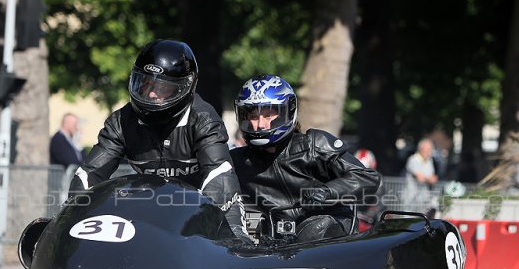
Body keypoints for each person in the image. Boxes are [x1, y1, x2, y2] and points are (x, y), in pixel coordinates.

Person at [69, 39, 250, 242]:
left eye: (162, 87)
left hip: (206, 210)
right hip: (151, 209)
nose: (151, 93)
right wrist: (71, 220)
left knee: (233, 244)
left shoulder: (203, 119)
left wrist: (203, 229)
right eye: (145, 83)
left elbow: (220, 177)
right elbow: (89, 174)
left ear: (184, 88)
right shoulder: (121, 122)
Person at [230, 74, 380, 243]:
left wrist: (327, 192)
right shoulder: (237, 161)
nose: (260, 125)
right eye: (253, 116)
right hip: (272, 243)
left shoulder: (314, 145)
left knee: (315, 231)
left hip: (327, 240)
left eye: (268, 114)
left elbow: (367, 178)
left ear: (288, 111)